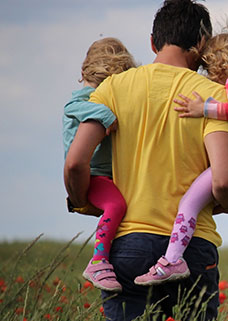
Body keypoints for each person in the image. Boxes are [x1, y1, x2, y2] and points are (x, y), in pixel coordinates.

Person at [63, 0, 228, 319]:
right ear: (201, 45)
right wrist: (227, 202)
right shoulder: (212, 96)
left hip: (127, 245)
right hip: (193, 249)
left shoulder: (112, 88)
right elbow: (225, 180)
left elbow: (76, 163)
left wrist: (83, 201)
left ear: (152, 41)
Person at [134, 30, 228, 286]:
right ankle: (179, 250)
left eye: (208, 68)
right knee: (202, 202)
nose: (208, 76)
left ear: (221, 64)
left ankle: (171, 261)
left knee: (188, 203)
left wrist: (202, 108)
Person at [63, 37, 135, 292]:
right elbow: (75, 107)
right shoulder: (85, 99)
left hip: (105, 175)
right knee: (116, 205)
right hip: (92, 175)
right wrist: (106, 115)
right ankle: (98, 260)